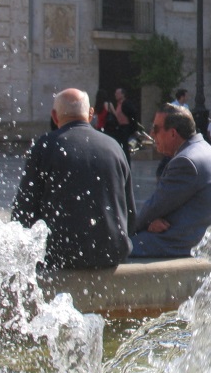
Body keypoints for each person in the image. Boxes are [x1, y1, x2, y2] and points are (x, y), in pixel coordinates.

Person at [11, 88, 135, 270]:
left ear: (55, 116)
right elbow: (129, 212)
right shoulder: (114, 147)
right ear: (91, 114)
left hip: (61, 255)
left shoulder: (45, 146)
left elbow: (24, 208)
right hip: (111, 253)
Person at [129, 104, 211, 258]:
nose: (152, 134)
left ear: (173, 133)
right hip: (194, 237)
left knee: (114, 249)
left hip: (178, 243)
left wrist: (129, 230)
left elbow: (155, 207)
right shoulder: (203, 150)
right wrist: (151, 221)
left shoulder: (186, 161)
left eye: (156, 129)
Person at [111, 87, 139, 160]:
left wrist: (135, 128)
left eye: (117, 93)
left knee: (125, 148)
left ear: (123, 95)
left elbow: (133, 114)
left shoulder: (126, 103)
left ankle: (126, 163)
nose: (115, 95)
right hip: (120, 128)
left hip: (126, 128)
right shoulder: (118, 104)